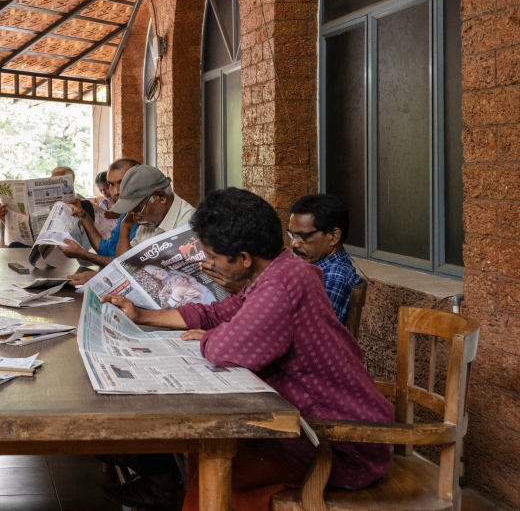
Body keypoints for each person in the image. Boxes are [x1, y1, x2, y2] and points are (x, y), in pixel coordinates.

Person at [102, 188, 394, 511]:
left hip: (339, 446)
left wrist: (212, 336)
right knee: (205, 451)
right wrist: (142, 315)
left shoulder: (280, 287)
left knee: (219, 465)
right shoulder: (278, 271)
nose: (207, 264)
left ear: (243, 258)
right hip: (316, 430)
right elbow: (217, 314)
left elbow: (221, 347)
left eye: (212, 257)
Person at [67, 164, 195, 286]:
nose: (134, 216)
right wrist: (125, 227)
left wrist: (104, 277)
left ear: (161, 197)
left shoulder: (189, 224)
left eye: (137, 209)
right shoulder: (146, 219)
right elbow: (125, 265)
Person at [288, 194, 362, 325]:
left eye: (302, 236)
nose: (294, 243)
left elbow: (313, 334)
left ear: (333, 236)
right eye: (292, 235)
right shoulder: (314, 267)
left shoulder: (333, 277)